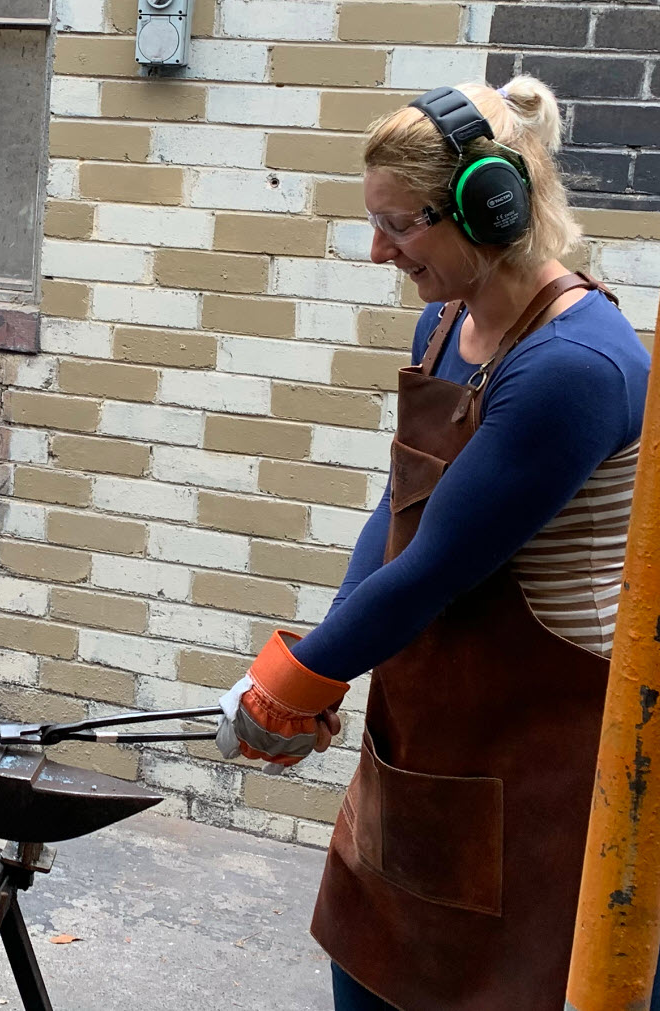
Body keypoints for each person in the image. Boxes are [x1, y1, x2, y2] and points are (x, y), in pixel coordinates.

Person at [215, 77, 651, 1010]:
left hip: (543, 761)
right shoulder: (447, 322)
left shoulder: (575, 365)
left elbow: (435, 572)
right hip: (428, 740)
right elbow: (399, 512)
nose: (379, 251)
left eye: (400, 227)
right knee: (372, 971)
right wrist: (319, 661)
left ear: (490, 208)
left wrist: (296, 681)